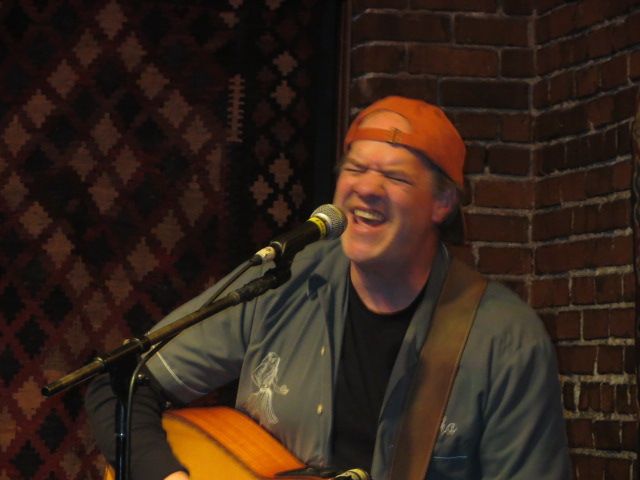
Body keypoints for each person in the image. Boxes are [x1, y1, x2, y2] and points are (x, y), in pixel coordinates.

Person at [85, 96, 571, 479]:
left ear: (442, 203)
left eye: (395, 177)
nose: (367, 188)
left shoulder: (505, 341)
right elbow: (118, 383)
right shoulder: (281, 282)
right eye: (355, 169)